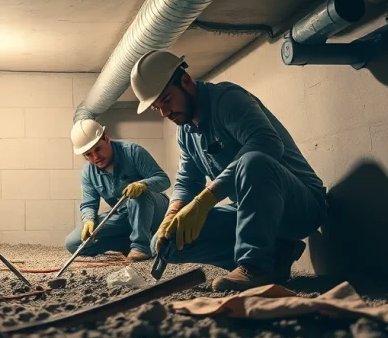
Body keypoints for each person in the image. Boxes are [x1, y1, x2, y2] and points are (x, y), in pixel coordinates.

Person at [130, 50, 327, 290]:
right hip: (251, 211)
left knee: (253, 160)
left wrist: (205, 199)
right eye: (156, 108)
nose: (165, 113)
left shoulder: (227, 99)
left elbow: (267, 143)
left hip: (300, 207)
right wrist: (172, 214)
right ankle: (278, 255)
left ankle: (254, 266)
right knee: (165, 242)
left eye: (166, 100)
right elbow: (187, 181)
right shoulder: (186, 131)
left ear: (185, 81)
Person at [64, 119, 170, 261]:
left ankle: (141, 247)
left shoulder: (133, 152)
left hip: (155, 211)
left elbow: (163, 180)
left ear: (106, 138)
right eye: (88, 155)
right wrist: (88, 220)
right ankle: (129, 243)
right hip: (124, 214)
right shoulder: (88, 173)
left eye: (98, 149)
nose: (95, 157)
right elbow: (89, 204)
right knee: (74, 243)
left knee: (137, 196)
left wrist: (143, 184)